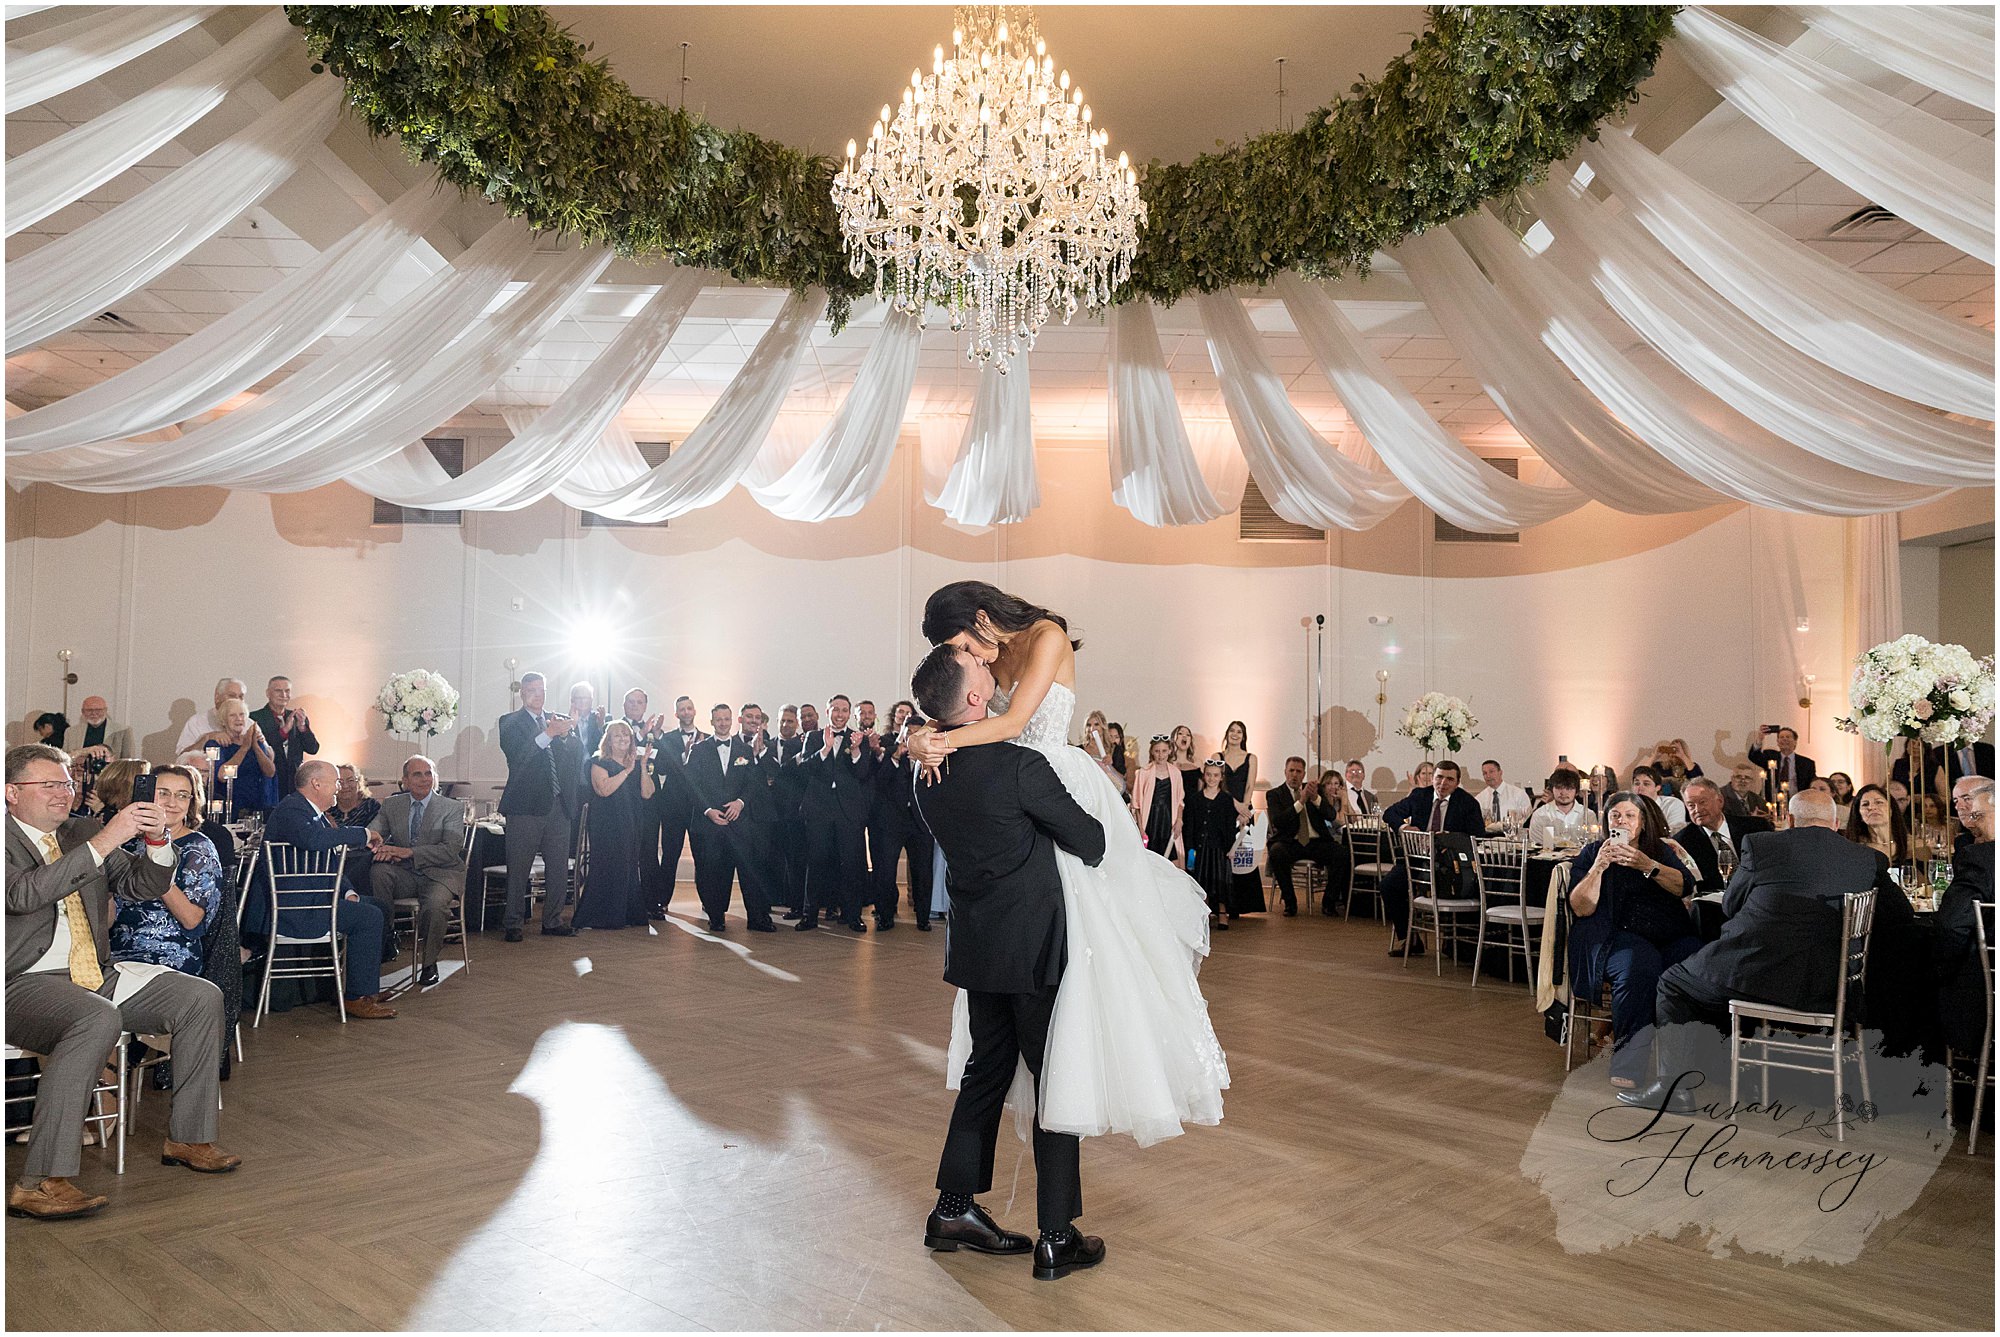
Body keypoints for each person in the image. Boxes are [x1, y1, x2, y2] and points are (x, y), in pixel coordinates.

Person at [905, 580, 1228, 1153]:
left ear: (980, 618)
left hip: (1051, 783)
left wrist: (940, 744)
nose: (969, 657)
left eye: (964, 645)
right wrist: (919, 738)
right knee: (1036, 943)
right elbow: (953, 703)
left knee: (1090, 930)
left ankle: (1087, 1049)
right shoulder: (984, 660)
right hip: (1014, 794)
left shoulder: (1046, 636)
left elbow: (1010, 725)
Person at [910, 643, 1108, 1281]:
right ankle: (1057, 1235)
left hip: (976, 945)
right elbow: (1092, 841)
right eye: (980, 669)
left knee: (986, 1071)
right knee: (1055, 1077)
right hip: (1032, 947)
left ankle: (953, 1211)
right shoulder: (1019, 765)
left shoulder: (928, 770)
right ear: (975, 699)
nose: (991, 669)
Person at [5, 743, 241, 1219]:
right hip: (22, 979)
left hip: (93, 972)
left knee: (200, 998)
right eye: (49, 785)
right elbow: (22, 896)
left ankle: (189, 1138)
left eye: (66, 784)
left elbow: (142, 885)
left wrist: (157, 841)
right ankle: (40, 1183)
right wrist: (105, 841)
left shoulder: (80, 831)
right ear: (11, 792)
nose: (63, 793)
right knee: (95, 1016)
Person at [1635, 791, 1910, 1114]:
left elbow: (1730, 905)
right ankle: (1746, 1072)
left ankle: (1677, 1089)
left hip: (1756, 976)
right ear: (1836, 823)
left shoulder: (1762, 845)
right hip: (1829, 988)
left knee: (1674, 982)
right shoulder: (1868, 859)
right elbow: (1901, 915)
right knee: (1713, 976)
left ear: (1790, 820)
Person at [1567, 794, 1701, 1095]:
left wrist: (1648, 866)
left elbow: (1684, 886)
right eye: (1615, 816)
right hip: (1612, 935)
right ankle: (1628, 1063)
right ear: (1606, 821)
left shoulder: (1658, 851)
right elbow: (1581, 908)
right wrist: (1598, 868)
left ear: (1642, 822)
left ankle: (1694, 1059)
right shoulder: (1592, 852)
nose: (1622, 822)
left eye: (1629, 816)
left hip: (1666, 933)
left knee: (1697, 959)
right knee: (1639, 965)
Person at [251, 761, 396, 1018]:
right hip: (296, 907)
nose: (338, 788)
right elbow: (313, 840)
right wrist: (363, 834)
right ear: (316, 784)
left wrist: (348, 892)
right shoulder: (292, 810)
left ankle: (362, 986)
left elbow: (329, 862)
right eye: (335, 782)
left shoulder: (312, 813)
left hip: (315, 898)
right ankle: (355, 997)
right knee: (369, 917)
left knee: (380, 907)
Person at [365, 755, 468, 988]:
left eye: (428, 773)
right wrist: (380, 848)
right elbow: (373, 834)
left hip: (441, 874)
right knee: (379, 872)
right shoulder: (392, 805)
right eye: (417, 774)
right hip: (406, 873)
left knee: (435, 904)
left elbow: (450, 850)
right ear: (405, 781)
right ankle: (387, 936)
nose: (424, 779)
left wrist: (408, 852)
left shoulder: (451, 807)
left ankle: (429, 963)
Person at [108, 767, 222, 977]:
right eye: (163, 793)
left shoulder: (198, 848)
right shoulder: (127, 843)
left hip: (169, 954)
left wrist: (157, 866)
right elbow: (107, 919)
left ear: (191, 803)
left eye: (182, 795)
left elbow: (191, 920)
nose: (172, 802)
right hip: (116, 953)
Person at [496, 672, 576, 941]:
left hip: (558, 805)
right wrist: (549, 733)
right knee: (519, 868)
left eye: (541, 690)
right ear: (522, 693)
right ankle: (513, 923)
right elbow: (518, 757)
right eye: (531, 690)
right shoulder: (509, 722)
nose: (537, 695)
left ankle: (552, 921)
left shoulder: (556, 719)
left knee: (558, 868)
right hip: (525, 806)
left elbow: (573, 756)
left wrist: (566, 735)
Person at [685, 704, 778, 933]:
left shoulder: (745, 750)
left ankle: (756, 918)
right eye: (719, 719)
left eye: (726, 719)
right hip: (711, 823)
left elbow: (753, 782)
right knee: (715, 872)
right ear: (712, 721)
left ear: (732, 720)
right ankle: (716, 917)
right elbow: (691, 785)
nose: (723, 723)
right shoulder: (699, 749)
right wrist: (708, 810)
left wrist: (740, 803)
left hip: (740, 823)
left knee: (749, 872)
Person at [1379, 760, 1483, 956]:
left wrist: (1450, 838)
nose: (1443, 783)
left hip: (1450, 865)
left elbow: (1477, 836)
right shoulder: (1420, 795)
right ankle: (1409, 938)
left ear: (1457, 782)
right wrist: (1404, 827)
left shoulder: (1468, 803)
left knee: (1458, 889)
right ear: (1433, 778)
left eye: (1449, 779)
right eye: (1439, 777)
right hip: (1417, 859)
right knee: (1389, 886)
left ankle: (1454, 943)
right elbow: (1390, 813)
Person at [797, 694, 874, 932]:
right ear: (827, 711)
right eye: (835, 709)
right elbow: (804, 769)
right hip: (819, 809)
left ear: (849, 714)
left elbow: (863, 773)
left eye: (844, 710)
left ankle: (853, 916)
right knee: (816, 863)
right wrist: (825, 748)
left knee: (851, 865)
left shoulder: (859, 738)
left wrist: (855, 750)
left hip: (848, 812)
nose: (839, 714)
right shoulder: (813, 737)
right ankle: (809, 916)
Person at [573, 721, 655, 932]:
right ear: (608, 740)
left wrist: (642, 767)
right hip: (607, 825)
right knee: (607, 865)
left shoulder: (635, 764)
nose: (622, 739)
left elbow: (647, 793)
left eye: (626, 735)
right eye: (617, 735)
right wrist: (626, 771)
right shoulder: (599, 762)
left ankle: (626, 913)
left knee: (628, 866)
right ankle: (602, 916)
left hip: (631, 822)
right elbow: (603, 790)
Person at [1934, 783, 1995, 1060]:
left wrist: (1941, 969)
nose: (1972, 824)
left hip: (1987, 993)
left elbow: (1951, 924)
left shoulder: (1981, 858)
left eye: (1978, 816)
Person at [871, 702, 934, 930]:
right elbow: (879, 783)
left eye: (918, 733)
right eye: (909, 732)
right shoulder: (889, 751)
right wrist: (896, 758)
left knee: (922, 872)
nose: (912, 737)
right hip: (891, 822)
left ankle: (923, 918)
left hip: (921, 823)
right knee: (886, 871)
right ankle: (885, 916)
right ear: (903, 733)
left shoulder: (931, 757)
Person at [648, 695, 705, 918]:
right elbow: (661, 768)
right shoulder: (668, 739)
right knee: (670, 855)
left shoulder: (707, 739)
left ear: (694, 711)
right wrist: (684, 755)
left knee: (702, 856)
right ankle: (662, 901)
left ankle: (709, 902)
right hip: (672, 805)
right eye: (682, 709)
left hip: (698, 807)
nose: (686, 712)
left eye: (689, 708)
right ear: (677, 714)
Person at [1265, 756, 1342, 918]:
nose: (1294, 775)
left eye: (1298, 771)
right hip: (1290, 842)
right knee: (1277, 852)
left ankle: (1329, 903)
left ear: (1304, 774)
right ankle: (1290, 903)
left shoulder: (1315, 790)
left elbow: (1331, 815)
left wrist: (1315, 799)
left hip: (1315, 841)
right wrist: (1300, 802)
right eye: (1291, 771)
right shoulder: (1275, 794)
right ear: (1285, 772)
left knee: (1341, 853)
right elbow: (1278, 821)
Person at [1673, 777, 1772, 892]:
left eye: (1702, 802)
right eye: (1691, 805)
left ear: (1720, 801)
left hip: (1762, 893)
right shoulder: (1682, 842)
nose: (1697, 810)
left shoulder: (1756, 827)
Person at [1185, 758, 1249, 930]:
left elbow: (1229, 826)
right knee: (1202, 880)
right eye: (1208, 775)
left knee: (1220, 881)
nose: (1212, 778)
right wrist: (1190, 847)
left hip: (1219, 848)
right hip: (1201, 847)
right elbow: (1190, 825)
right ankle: (1204, 913)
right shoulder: (1195, 799)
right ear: (1204, 776)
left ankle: (1222, 912)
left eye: (1215, 775)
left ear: (1221, 777)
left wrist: (1230, 847)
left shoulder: (1226, 799)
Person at [189, 699, 276, 815]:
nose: (238, 719)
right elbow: (222, 776)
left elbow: (270, 772)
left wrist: (255, 746)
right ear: (223, 720)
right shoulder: (215, 744)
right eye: (232, 715)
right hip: (228, 806)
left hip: (259, 804)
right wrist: (244, 748)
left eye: (242, 714)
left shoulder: (253, 740)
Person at [250, 677, 319, 798]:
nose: (283, 695)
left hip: (294, 784)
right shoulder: (255, 718)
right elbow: (261, 748)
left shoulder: (297, 717)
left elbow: (313, 749)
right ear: (268, 693)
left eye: (287, 691)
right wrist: (284, 731)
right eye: (278, 691)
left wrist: (302, 727)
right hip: (267, 781)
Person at [1129, 736, 1184, 863]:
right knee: (1150, 859)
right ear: (1152, 752)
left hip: (1168, 820)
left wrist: (1179, 820)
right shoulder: (1143, 772)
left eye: (1164, 751)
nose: (1160, 755)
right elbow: (1136, 804)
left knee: (1172, 859)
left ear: (1170, 751)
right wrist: (1141, 829)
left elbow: (1180, 801)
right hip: (1151, 820)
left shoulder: (1176, 773)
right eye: (1157, 751)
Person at [174, 677, 247, 761]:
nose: (237, 700)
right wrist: (207, 738)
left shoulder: (249, 723)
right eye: (231, 696)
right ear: (217, 697)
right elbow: (182, 758)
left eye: (241, 696)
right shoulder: (196, 722)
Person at [1842, 783, 1910, 868]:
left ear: (1891, 809)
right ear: (1859, 815)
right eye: (1865, 804)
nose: (1871, 807)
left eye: (1878, 802)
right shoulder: (1854, 849)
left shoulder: (1910, 845)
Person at [1747, 723, 1816, 801]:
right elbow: (1753, 757)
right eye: (1781, 737)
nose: (1784, 739)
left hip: (1798, 801)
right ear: (1778, 742)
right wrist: (1760, 739)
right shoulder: (1770, 756)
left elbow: (1813, 784)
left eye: (1788, 737)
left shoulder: (1807, 763)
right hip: (1772, 800)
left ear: (1795, 742)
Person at [1528, 767, 1592, 849]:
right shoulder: (1540, 814)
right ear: (1552, 789)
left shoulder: (1588, 815)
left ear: (1576, 791)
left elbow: (1592, 844)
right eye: (1559, 788)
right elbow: (1536, 845)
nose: (1563, 793)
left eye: (1569, 788)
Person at [63, 697, 134, 765]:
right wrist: (84, 751)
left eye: (98, 710)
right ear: (83, 712)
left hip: (111, 772)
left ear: (106, 710)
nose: (94, 713)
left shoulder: (123, 731)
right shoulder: (71, 732)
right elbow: (64, 759)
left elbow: (129, 762)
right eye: (89, 710)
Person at [1476, 759, 1533, 830]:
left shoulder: (1518, 794)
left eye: (1491, 772)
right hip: (1487, 835)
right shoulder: (1480, 798)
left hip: (1513, 834)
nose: (1488, 776)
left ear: (1500, 772)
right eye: (1485, 773)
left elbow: (1528, 818)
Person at [330, 764, 380, 831]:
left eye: (350, 780)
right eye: (340, 782)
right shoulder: (328, 807)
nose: (345, 786)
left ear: (358, 782)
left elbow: (374, 833)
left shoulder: (371, 806)